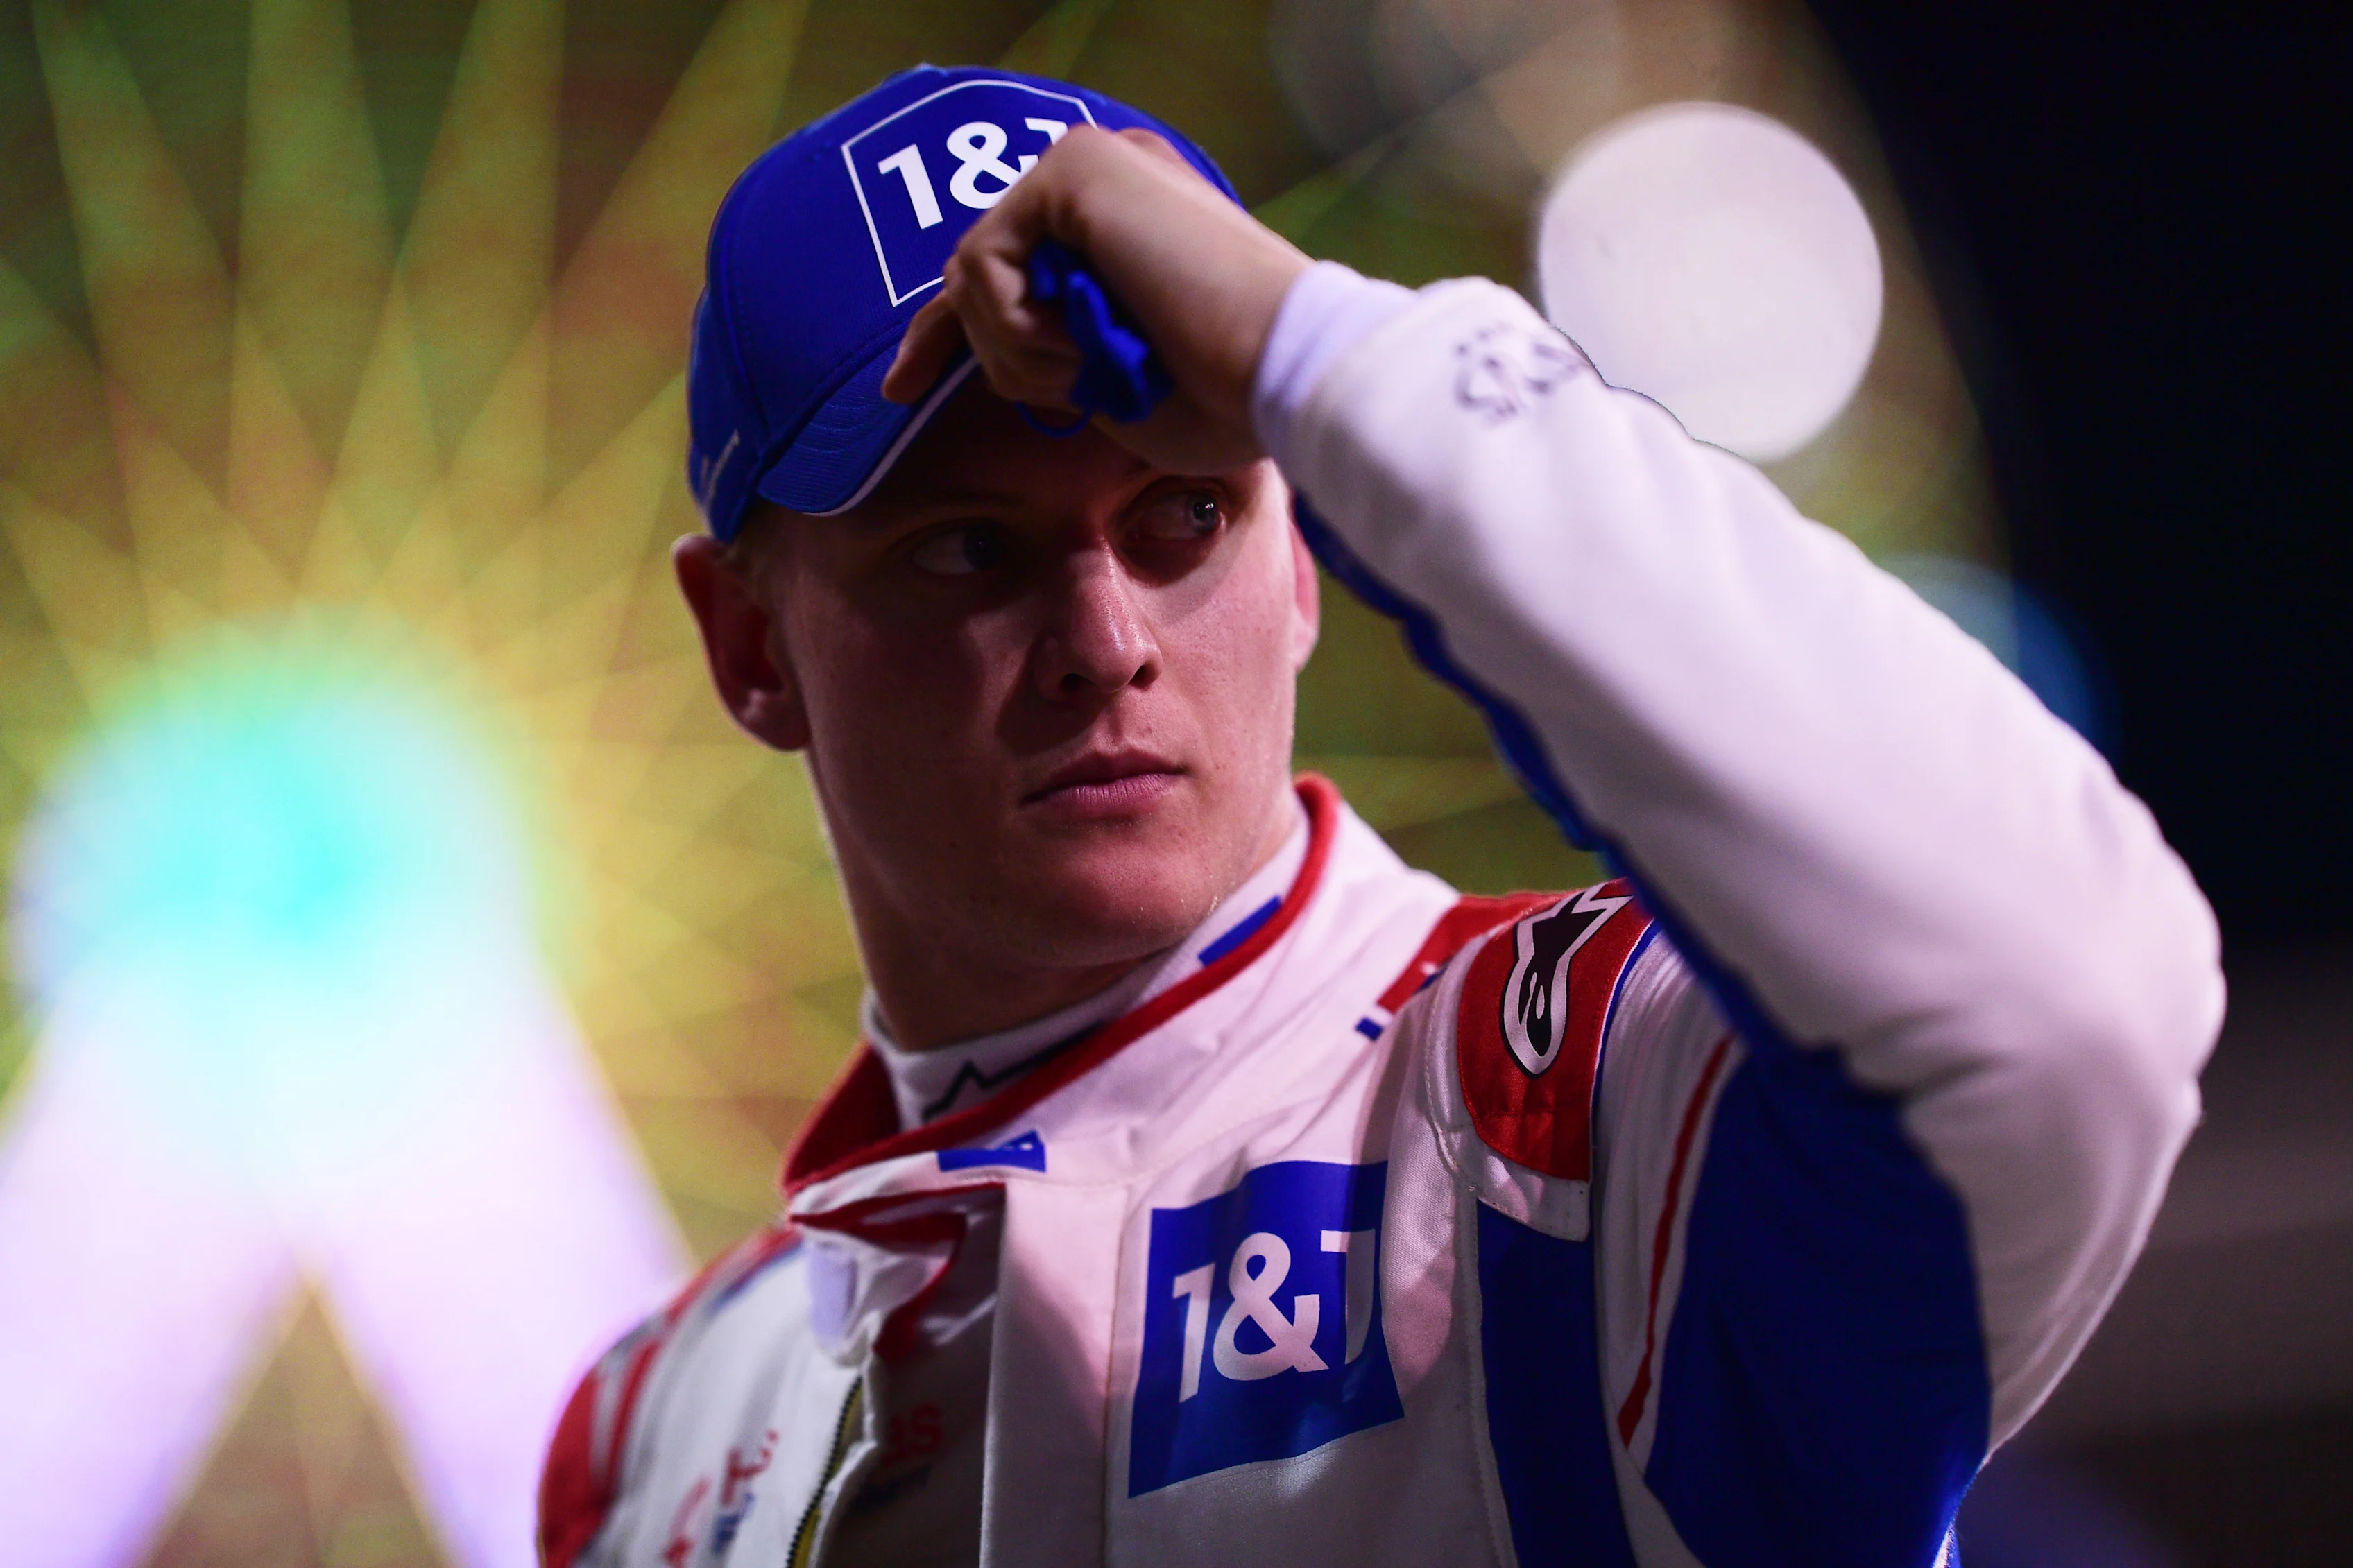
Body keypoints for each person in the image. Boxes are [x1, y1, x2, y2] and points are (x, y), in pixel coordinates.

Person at [536, 64, 2222, 1568]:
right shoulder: (651, 1433)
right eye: (966, 546)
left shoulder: (1547, 1109)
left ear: (1304, 552)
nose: (1105, 644)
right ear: (749, 646)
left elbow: (2066, 991)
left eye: (1185, 509)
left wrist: (1306, 345)